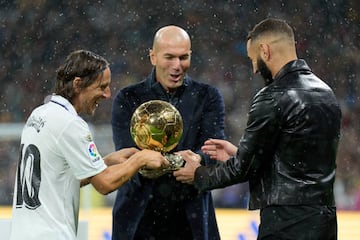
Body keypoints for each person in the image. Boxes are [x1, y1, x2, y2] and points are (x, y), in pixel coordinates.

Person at [174, 18, 342, 240]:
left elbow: (241, 170)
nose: (254, 69)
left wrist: (198, 174)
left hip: (286, 222)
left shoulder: (273, 96)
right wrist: (239, 154)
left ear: (265, 50)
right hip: (325, 221)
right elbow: (300, 163)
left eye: (253, 59)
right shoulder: (326, 93)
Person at [10, 50, 168, 240]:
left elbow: (58, 179)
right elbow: (105, 184)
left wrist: (106, 162)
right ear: (78, 84)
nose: (108, 94)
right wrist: (140, 159)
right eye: (102, 87)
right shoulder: (70, 124)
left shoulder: (39, 114)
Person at [111, 25, 225, 240]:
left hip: (191, 220)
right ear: (153, 57)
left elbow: (213, 150)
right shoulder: (128, 98)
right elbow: (130, 159)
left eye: (183, 57)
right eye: (169, 57)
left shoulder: (207, 96)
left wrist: (199, 158)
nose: (177, 66)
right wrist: (182, 162)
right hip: (137, 219)